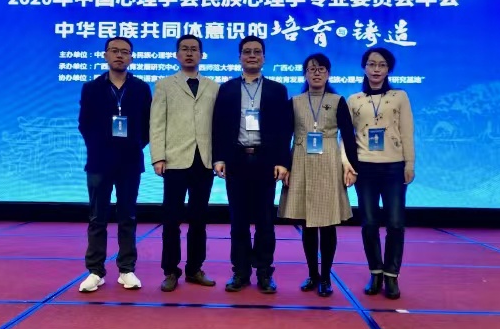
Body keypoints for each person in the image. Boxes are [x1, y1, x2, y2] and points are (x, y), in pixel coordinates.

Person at [212, 35, 291, 294]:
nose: (252, 56)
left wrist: (282, 161)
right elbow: (219, 126)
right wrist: (219, 158)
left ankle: (265, 272)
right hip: (237, 160)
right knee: (239, 222)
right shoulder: (227, 89)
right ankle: (240, 272)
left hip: (265, 162)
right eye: (247, 52)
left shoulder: (277, 90)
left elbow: (284, 130)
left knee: (265, 221)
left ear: (264, 58)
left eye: (257, 52)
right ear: (240, 57)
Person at [279, 53, 358, 297]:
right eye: (312, 69)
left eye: (321, 69)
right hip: (301, 162)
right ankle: (313, 274)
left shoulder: (337, 101)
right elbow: (284, 136)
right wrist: (285, 166)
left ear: (328, 73)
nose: (316, 73)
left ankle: (326, 277)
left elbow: (348, 136)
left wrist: (351, 166)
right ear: (305, 73)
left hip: (329, 163)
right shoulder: (294, 101)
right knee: (308, 224)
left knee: (328, 224)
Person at [77, 37, 152, 292]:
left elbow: (147, 125)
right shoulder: (92, 88)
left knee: (127, 216)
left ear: (131, 57)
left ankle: (126, 269)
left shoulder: (141, 88)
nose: (120, 55)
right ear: (106, 55)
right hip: (99, 161)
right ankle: (95, 271)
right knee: (97, 217)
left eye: (125, 52)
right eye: (115, 51)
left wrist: (133, 145)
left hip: (130, 161)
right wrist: (102, 147)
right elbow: (84, 124)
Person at [344, 47, 415, 299]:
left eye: (382, 65)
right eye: (372, 64)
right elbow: (346, 138)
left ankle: (391, 275)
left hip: (394, 167)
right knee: (369, 223)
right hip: (364, 167)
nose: (376, 69)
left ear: (388, 69)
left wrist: (409, 164)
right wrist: (347, 165)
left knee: (395, 223)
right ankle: (375, 272)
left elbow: (407, 132)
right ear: (364, 67)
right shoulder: (354, 100)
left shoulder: (399, 96)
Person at [149, 34, 219, 292]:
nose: (189, 53)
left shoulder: (214, 87)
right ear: (177, 55)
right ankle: (170, 270)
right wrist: (158, 156)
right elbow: (157, 123)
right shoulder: (165, 85)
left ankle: (194, 268)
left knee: (199, 219)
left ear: (201, 55)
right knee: (171, 220)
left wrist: (219, 158)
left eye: (194, 49)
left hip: (204, 161)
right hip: (174, 160)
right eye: (184, 49)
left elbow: (219, 126)